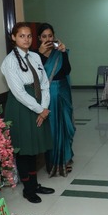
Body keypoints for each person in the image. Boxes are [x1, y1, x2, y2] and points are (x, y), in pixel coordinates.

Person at [1, 22, 55, 203]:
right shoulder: (9, 62)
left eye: (29, 36)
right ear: (14, 38)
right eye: (22, 36)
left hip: (39, 103)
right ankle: (28, 189)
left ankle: (35, 184)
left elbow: (45, 83)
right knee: (24, 149)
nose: (26, 39)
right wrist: (40, 109)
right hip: (21, 107)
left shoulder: (35, 56)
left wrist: (44, 107)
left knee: (35, 147)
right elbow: (19, 92)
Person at [36, 23, 75, 177]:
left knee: (65, 125)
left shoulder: (59, 52)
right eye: (44, 36)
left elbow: (67, 70)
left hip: (63, 91)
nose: (47, 39)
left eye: (50, 36)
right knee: (51, 127)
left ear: (54, 36)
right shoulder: (34, 55)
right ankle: (52, 161)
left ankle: (65, 158)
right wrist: (39, 53)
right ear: (39, 38)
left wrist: (64, 52)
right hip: (47, 94)